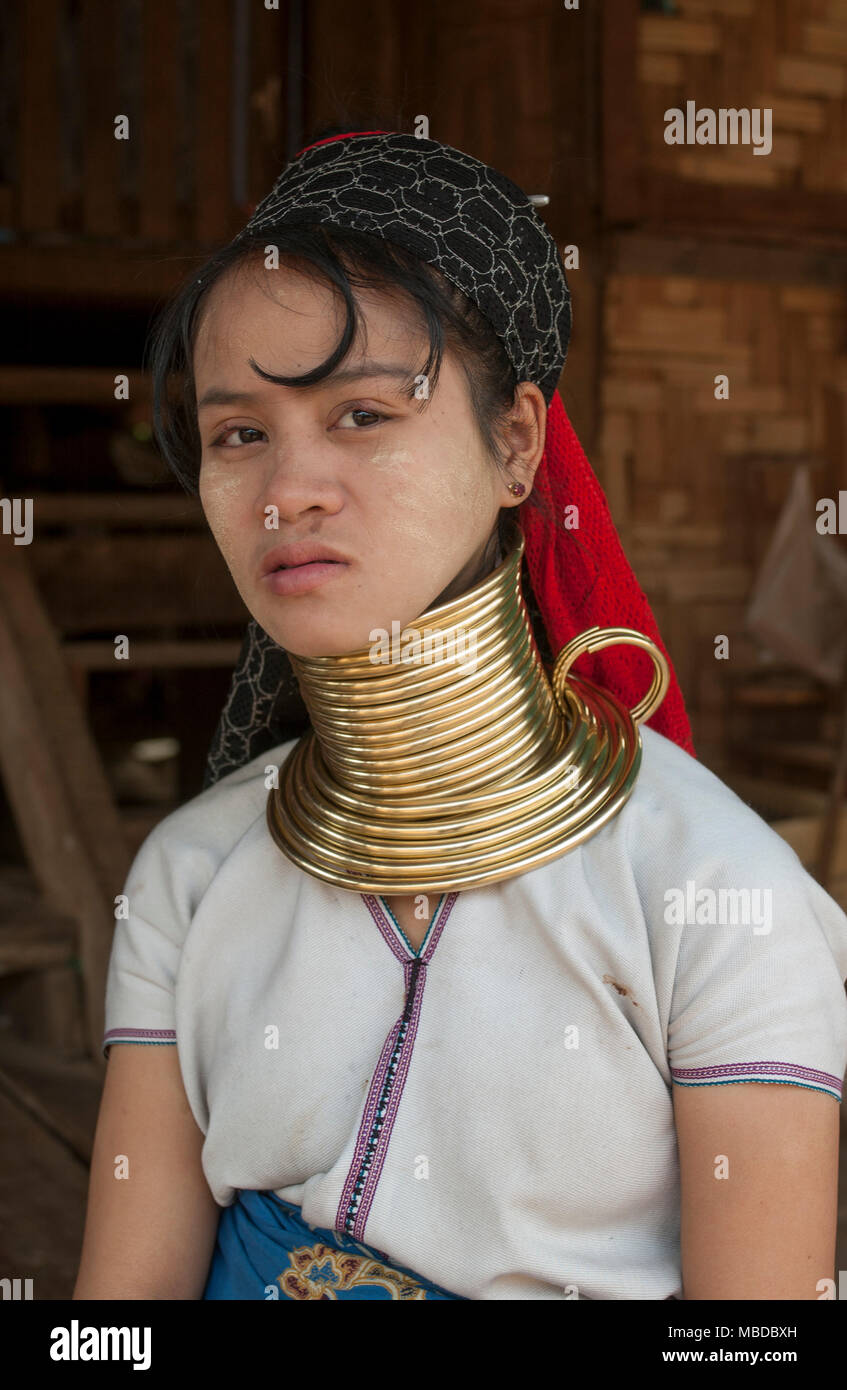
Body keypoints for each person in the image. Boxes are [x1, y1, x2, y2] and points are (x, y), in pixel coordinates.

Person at [73, 128, 847, 1301]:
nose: (288, 492)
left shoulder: (712, 895)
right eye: (240, 433)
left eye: (363, 415)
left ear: (517, 443)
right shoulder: (189, 873)